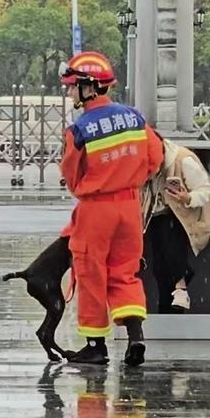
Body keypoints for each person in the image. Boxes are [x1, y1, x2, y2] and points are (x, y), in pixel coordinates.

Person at [60, 51, 163, 366]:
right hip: (130, 207)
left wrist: (91, 188)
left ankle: (95, 345)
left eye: (72, 86)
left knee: (91, 271)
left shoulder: (79, 130)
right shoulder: (134, 118)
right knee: (125, 272)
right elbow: (155, 159)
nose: (69, 91)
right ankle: (135, 336)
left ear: (88, 87)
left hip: (97, 210)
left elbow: (71, 174)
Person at [141, 138, 210, 313]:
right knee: (159, 265)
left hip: (182, 216)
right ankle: (171, 302)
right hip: (154, 216)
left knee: (170, 241)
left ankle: (180, 286)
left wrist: (187, 198)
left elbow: (205, 191)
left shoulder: (182, 160)